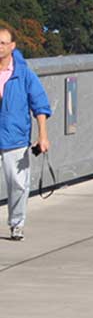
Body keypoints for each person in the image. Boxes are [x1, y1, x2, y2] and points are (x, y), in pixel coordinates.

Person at [0, 27, 51, 241]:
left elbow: (40, 105)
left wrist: (42, 136)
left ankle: (17, 224)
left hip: (15, 138)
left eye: (3, 43)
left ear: (12, 46)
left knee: (18, 185)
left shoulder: (23, 74)